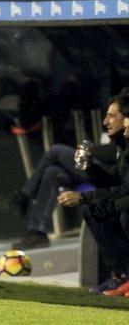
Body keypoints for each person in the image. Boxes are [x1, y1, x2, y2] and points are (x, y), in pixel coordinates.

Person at [0, 94, 127, 249]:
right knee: (52, 173)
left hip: (109, 175)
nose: (105, 121)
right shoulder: (114, 133)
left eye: (112, 116)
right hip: (95, 171)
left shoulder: (124, 135)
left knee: (55, 150)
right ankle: (37, 232)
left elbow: (114, 153)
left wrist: (91, 150)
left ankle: (22, 198)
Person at [57, 95, 129, 294]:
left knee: (123, 214)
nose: (105, 122)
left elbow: (125, 190)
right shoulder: (122, 147)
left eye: (112, 116)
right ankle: (119, 275)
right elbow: (115, 181)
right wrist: (90, 169)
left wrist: (83, 197)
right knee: (94, 210)